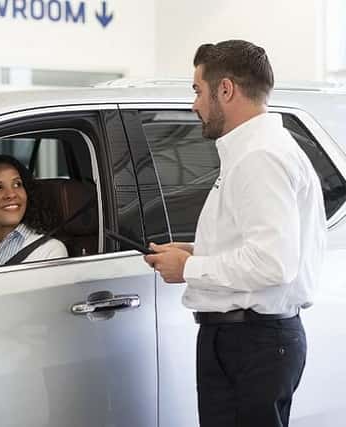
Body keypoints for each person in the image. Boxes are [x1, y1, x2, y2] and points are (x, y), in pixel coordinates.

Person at [143, 40, 326, 427]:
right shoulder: (255, 151)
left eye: (197, 90)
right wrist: (195, 250)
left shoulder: (260, 157)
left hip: (252, 341)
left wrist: (190, 268)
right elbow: (258, 244)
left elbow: (273, 264)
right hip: (248, 339)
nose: (194, 104)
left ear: (225, 89)